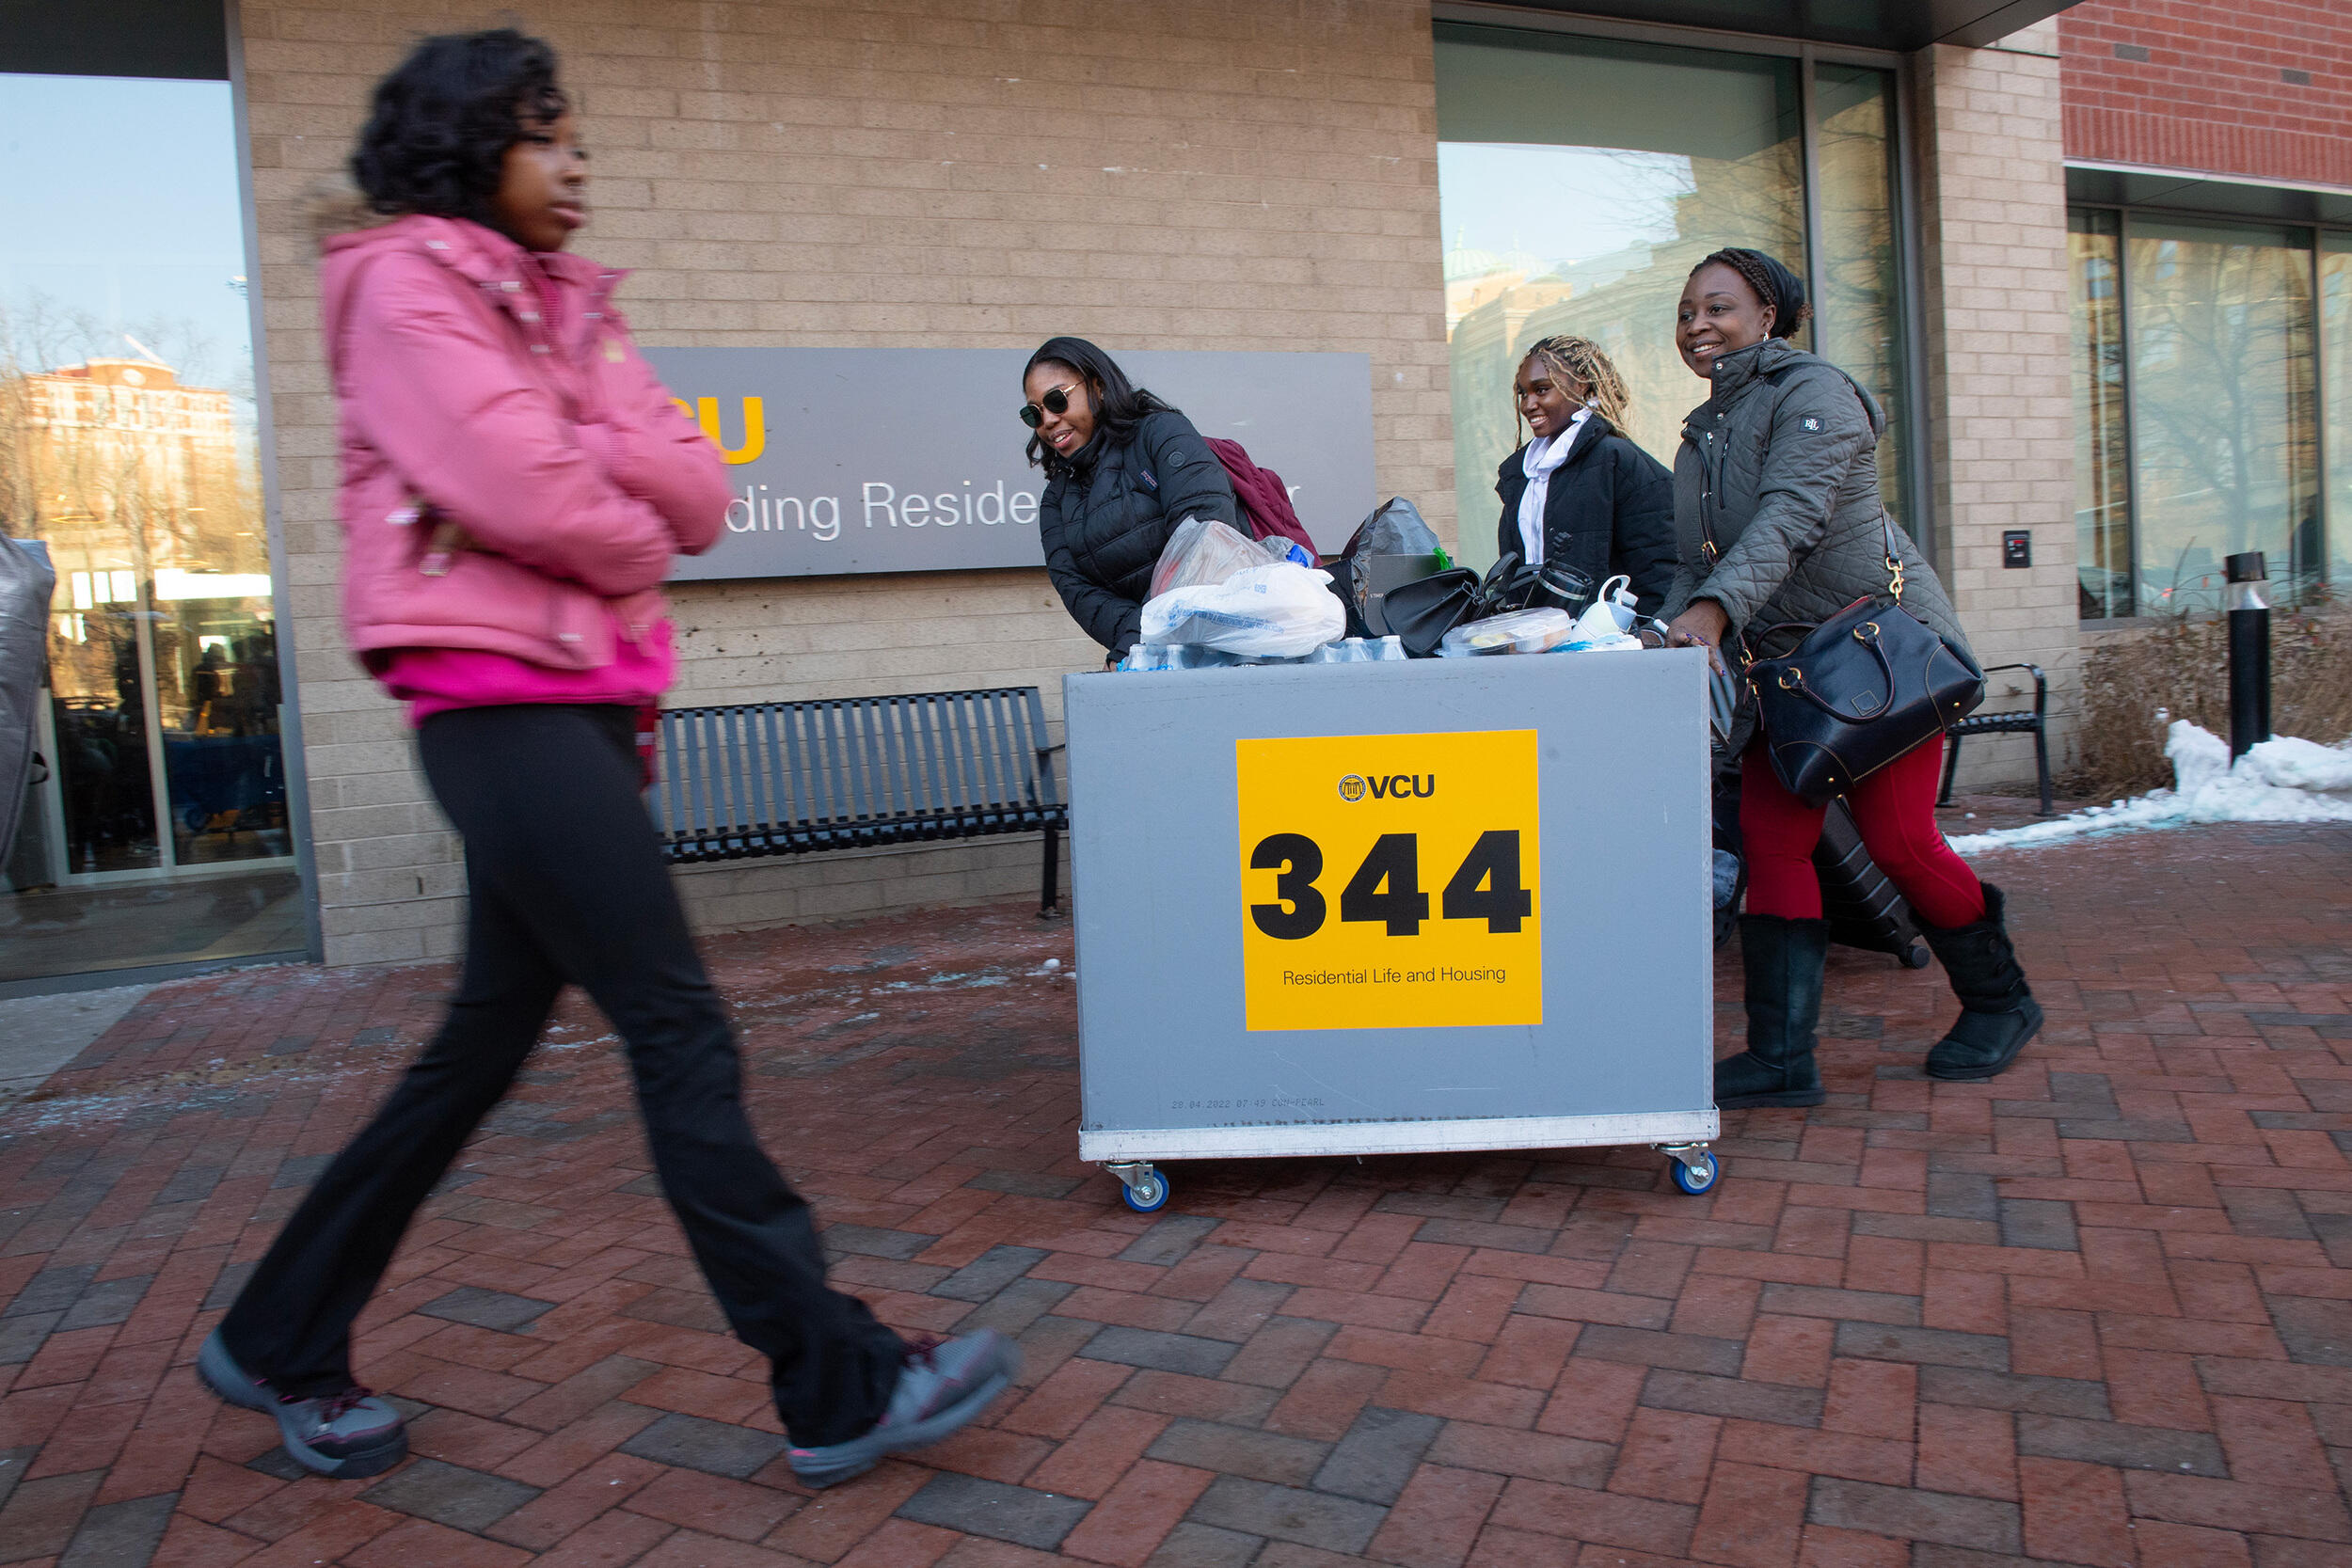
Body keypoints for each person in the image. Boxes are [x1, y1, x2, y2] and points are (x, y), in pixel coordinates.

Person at [194, 29, 1014, 1489]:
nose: (576, 167)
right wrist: (608, 500)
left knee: (479, 1042)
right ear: (465, 146)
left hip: (576, 708)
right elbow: (538, 488)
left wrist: (597, 477)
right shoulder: (403, 286)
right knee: (676, 1020)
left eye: (579, 142)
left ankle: (277, 1328)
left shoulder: (571, 308)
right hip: (490, 704)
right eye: (545, 137)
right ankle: (833, 1374)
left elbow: (697, 485)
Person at [1659, 247, 2041, 1107]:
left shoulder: (1817, 395)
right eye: (1685, 314)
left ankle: (2000, 1000)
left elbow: (1792, 517)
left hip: (1873, 660)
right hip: (1782, 677)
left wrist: (1715, 610)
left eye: (1717, 308)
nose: (1697, 327)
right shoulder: (1700, 435)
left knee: (1899, 841)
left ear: (1769, 316)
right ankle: (1782, 1056)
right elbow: (1693, 561)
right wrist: (1665, 628)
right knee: (1773, 843)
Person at [1025, 337, 1242, 657]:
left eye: (1057, 400)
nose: (1048, 421)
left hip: (1230, 642)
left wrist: (1139, 640)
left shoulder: (1160, 433)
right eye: (1034, 413)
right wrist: (1139, 639)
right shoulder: (1055, 500)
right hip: (1150, 656)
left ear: (1097, 387)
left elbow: (1205, 538)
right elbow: (1078, 592)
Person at [1493, 335, 1677, 615]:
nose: (1528, 405)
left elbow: (1661, 573)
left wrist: (1648, 637)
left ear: (1582, 386)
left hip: (1607, 648)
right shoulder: (1520, 475)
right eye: (1523, 393)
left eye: (1542, 390)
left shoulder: (1618, 461)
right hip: (1536, 643)